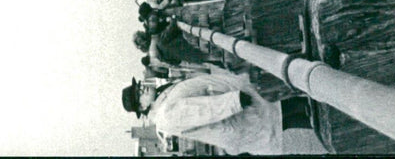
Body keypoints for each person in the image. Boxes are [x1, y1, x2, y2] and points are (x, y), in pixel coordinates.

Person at [121, 67, 311, 155]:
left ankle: (326, 114)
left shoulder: (163, 100)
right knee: (294, 111)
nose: (142, 89)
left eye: (139, 87)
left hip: (238, 112)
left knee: (290, 113)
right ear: (143, 108)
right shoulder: (165, 114)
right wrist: (235, 101)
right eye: (139, 95)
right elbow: (203, 110)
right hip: (236, 117)